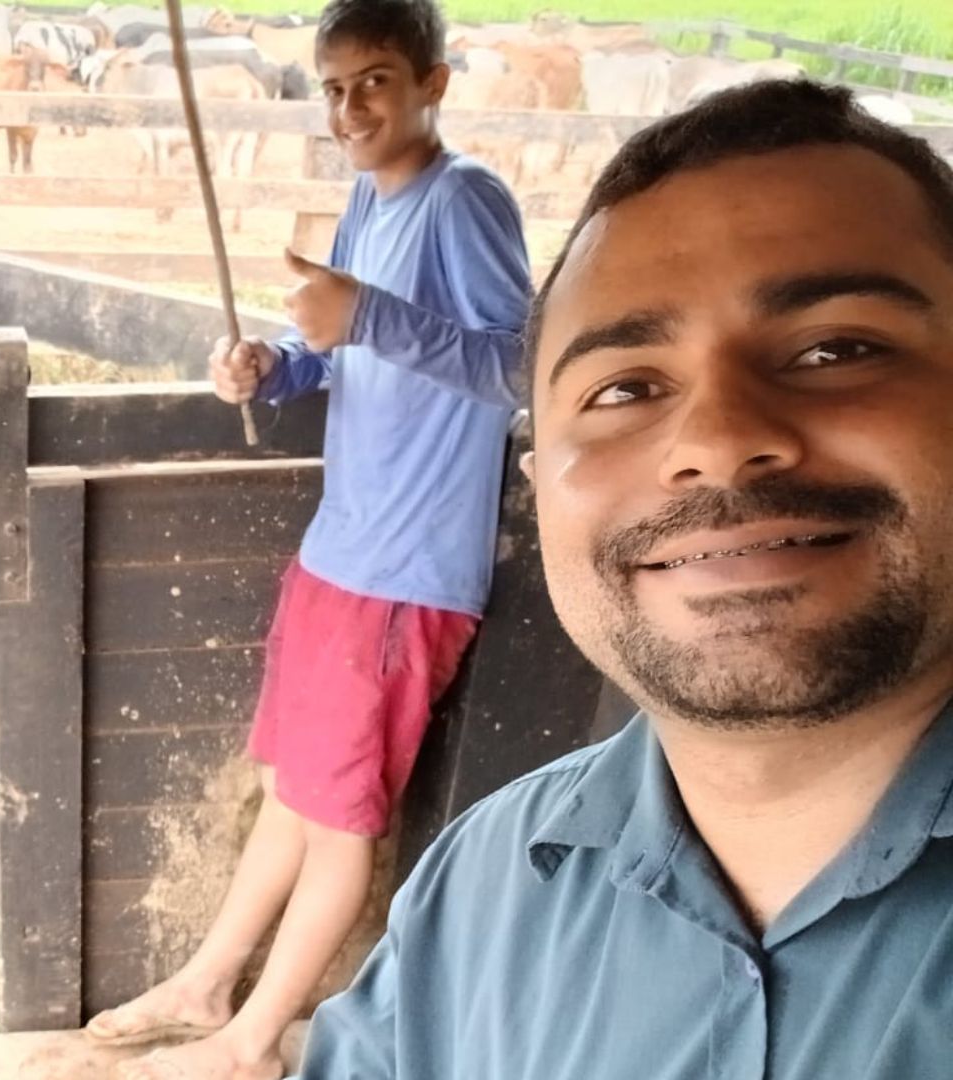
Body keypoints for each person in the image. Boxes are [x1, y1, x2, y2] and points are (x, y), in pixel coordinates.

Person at [300, 78, 953, 1077]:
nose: (719, 444)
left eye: (834, 349)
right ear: (537, 485)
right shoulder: (483, 891)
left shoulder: (459, 202)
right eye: (625, 389)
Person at [85, 2, 533, 1077]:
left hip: (407, 569)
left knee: (338, 820)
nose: (350, 108)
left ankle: (252, 1043)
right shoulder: (364, 202)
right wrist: (276, 365)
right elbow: (338, 343)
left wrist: (364, 316)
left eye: (375, 80)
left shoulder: (464, 200)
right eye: (333, 88)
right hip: (343, 550)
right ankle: (205, 985)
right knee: (296, 784)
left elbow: (517, 368)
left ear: (434, 81)